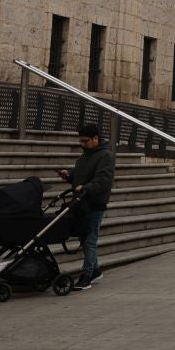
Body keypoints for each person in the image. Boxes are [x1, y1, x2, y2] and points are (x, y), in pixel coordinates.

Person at [58, 122, 115, 290]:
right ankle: (95, 270)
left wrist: (85, 188)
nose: (82, 144)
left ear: (95, 139)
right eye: (81, 141)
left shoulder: (105, 156)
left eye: (85, 141)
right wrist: (69, 176)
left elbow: (103, 180)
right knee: (85, 238)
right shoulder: (85, 156)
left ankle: (87, 275)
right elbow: (80, 176)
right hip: (81, 203)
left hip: (95, 203)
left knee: (90, 240)